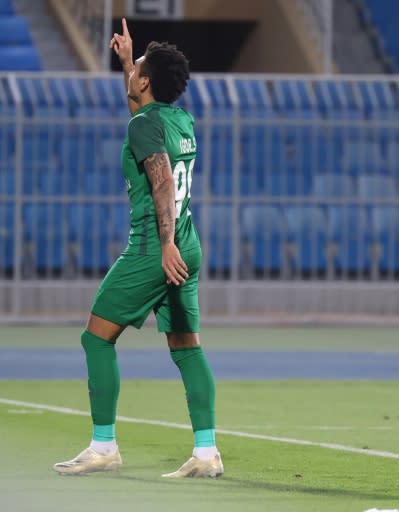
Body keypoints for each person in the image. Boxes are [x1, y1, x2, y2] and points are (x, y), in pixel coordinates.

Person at [53, 18, 222, 478]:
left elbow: (162, 179)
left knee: (96, 337)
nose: (132, 75)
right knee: (187, 347)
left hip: (155, 248)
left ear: (145, 83)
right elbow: (142, 116)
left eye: (137, 69)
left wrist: (164, 244)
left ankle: (103, 445)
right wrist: (129, 61)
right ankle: (206, 454)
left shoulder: (145, 125)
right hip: (189, 242)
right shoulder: (179, 119)